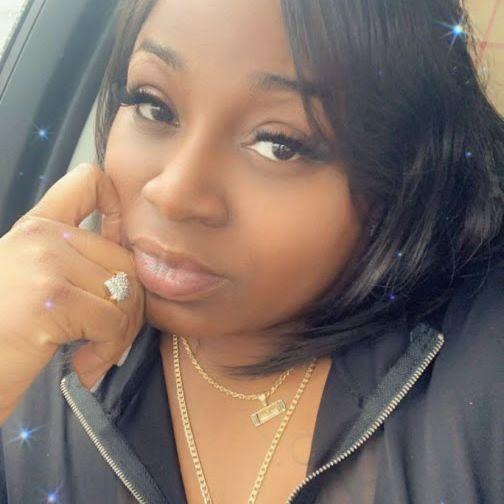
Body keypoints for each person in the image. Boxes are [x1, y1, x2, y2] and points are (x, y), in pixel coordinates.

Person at [0, 0, 503, 502]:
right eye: (154, 106)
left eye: (279, 144)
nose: (173, 193)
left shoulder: (479, 376)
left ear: (400, 177)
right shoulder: (35, 337)